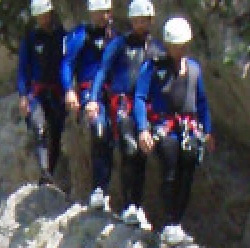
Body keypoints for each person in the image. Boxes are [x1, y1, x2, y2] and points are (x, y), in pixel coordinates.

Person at [134, 16, 215, 246]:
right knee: (170, 166)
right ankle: (170, 221)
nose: (180, 49)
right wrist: (142, 129)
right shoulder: (153, 67)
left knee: (187, 169)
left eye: (183, 45)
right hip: (164, 126)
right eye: (176, 45)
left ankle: (176, 221)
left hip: (188, 128)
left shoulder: (193, 69)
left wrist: (208, 130)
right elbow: (140, 97)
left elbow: (201, 101)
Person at [89, 0, 163, 228]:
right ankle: (128, 204)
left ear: (151, 21)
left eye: (145, 20)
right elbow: (102, 71)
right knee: (129, 148)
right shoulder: (120, 44)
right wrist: (93, 99)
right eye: (137, 21)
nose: (141, 25)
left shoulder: (156, 49)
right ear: (132, 21)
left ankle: (135, 205)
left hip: (145, 106)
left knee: (139, 155)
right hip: (122, 103)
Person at [62, 0, 119, 210]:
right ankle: (98, 189)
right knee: (99, 130)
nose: (101, 17)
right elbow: (67, 63)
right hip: (89, 91)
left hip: (113, 93)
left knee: (114, 139)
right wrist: (69, 89)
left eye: (104, 12)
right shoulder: (80, 35)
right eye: (97, 13)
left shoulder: (116, 37)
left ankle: (107, 189)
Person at [17, 0, 67, 187]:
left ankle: (50, 174)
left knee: (56, 133)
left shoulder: (61, 36)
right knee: (40, 129)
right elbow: (23, 69)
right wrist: (23, 95)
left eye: (45, 14)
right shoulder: (31, 39)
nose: (43, 19)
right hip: (37, 92)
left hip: (56, 92)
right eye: (40, 16)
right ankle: (45, 172)